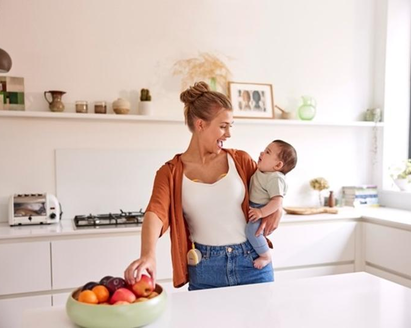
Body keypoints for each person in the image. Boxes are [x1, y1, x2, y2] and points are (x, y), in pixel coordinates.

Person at [124, 81, 282, 291]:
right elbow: (155, 213)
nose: (228, 134)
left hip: (252, 263)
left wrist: (278, 208)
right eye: (223, 126)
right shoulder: (170, 172)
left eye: (230, 127)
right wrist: (148, 255)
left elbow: (270, 188)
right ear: (200, 125)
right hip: (206, 268)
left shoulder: (241, 161)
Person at [247, 140, 297, 269]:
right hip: (255, 206)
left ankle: (265, 255)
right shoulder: (262, 171)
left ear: (278, 165)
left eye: (267, 152)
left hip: (261, 207)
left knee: (253, 231)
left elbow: (277, 201)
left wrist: (261, 212)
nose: (262, 153)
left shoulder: (275, 178)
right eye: (264, 150)